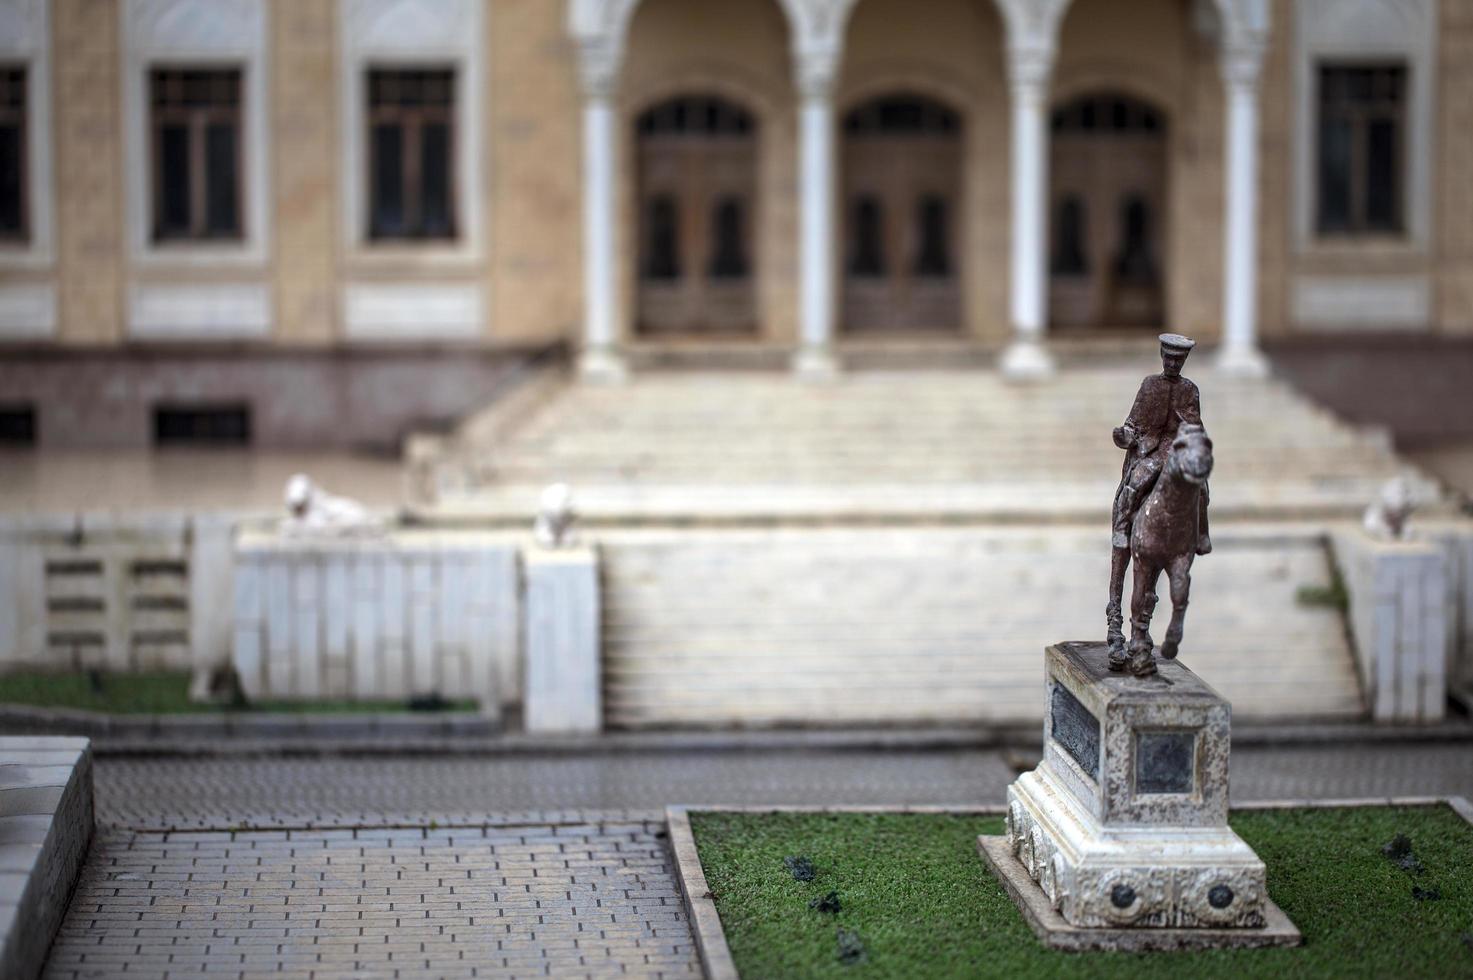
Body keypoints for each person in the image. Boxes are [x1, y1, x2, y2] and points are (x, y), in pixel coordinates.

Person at [1106, 334, 1211, 664]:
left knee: (1202, 490)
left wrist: (1188, 439)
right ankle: (1123, 527)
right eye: (1169, 359)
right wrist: (1127, 435)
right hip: (1150, 454)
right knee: (1135, 484)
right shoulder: (1150, 385)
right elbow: (1134, 422)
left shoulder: (1189, 391)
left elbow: (1195, 427)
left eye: (1178, 361)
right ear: (1162, 357)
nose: (1172, 364)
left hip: (1176, 453)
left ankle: (1201, 533)